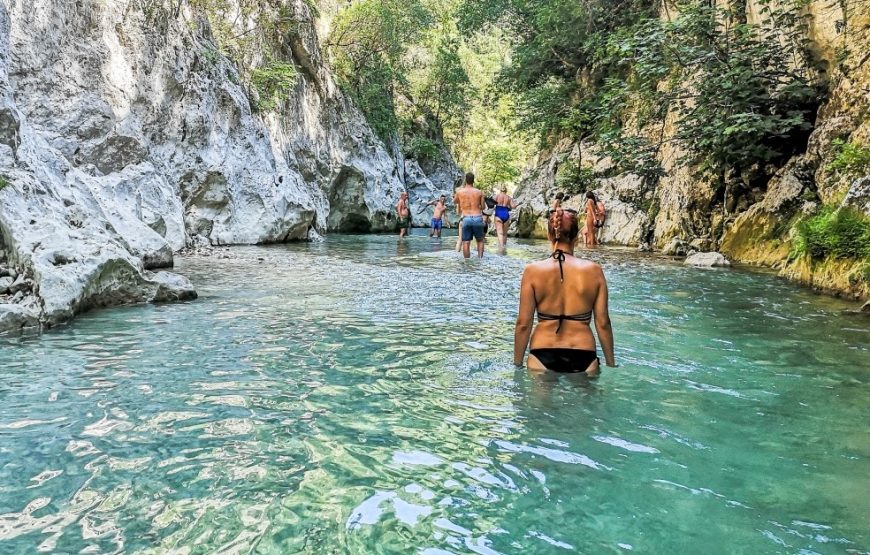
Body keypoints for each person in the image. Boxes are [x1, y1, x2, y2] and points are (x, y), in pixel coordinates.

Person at [513, 207, 616, 376]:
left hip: (542, 351)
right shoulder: (594, 271)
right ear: (576, 237)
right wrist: (611, 364)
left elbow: (523, 324)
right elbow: (603, 323)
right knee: (584, 403)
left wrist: (516, 364)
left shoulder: (532, 271)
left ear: (549, 235)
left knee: (540, 404)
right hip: (583, 352)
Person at [453, 172, 487, 258]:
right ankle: (480, 260)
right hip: (477, 217)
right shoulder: (479, 192)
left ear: (465, 180)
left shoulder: (460, 192)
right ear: (473, 180)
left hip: (466, 218)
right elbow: (483, 207)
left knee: (466, 242)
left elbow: (455, 201)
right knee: (480, 241)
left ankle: (467, 262)